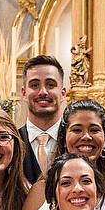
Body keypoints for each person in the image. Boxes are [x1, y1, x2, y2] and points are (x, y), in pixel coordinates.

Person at [24, 98, 105, 210]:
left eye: (94, 130)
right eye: (77, 130)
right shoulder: (42, 190)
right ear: (64, 139)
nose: (86, 137)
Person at [17, 54, 67, 183]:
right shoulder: (12, 142)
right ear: (24, 93)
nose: (43, 92)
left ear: (63, 94)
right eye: (34, 85)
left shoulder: (75, 141)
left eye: (50, 85)